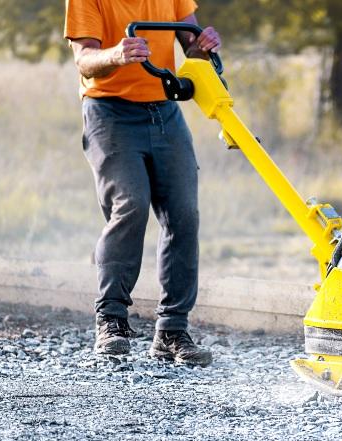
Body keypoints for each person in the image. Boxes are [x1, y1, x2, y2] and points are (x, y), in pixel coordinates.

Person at [64, 0, 220, 366]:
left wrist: (204, 45)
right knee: (130, 204)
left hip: (164, 110)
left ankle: (172, 331)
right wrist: (115, 54)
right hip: (109, 111)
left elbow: (190, 43)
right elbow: (84, 59)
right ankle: (111, 318)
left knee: (184, 213)